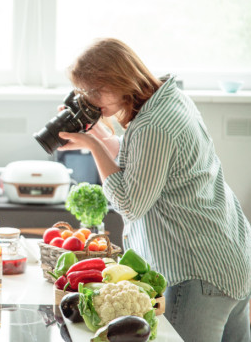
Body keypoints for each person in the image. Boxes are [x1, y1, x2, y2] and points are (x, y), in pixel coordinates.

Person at [57, 38, 251, 342]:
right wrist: (100, 134)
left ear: (118, 78)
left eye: (94, 91)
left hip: (196, 273)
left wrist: (93, 146)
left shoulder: (152, 126)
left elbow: (130, 203)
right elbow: (146, 164)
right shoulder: (170, 99)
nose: (91, 102)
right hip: (230, 257)